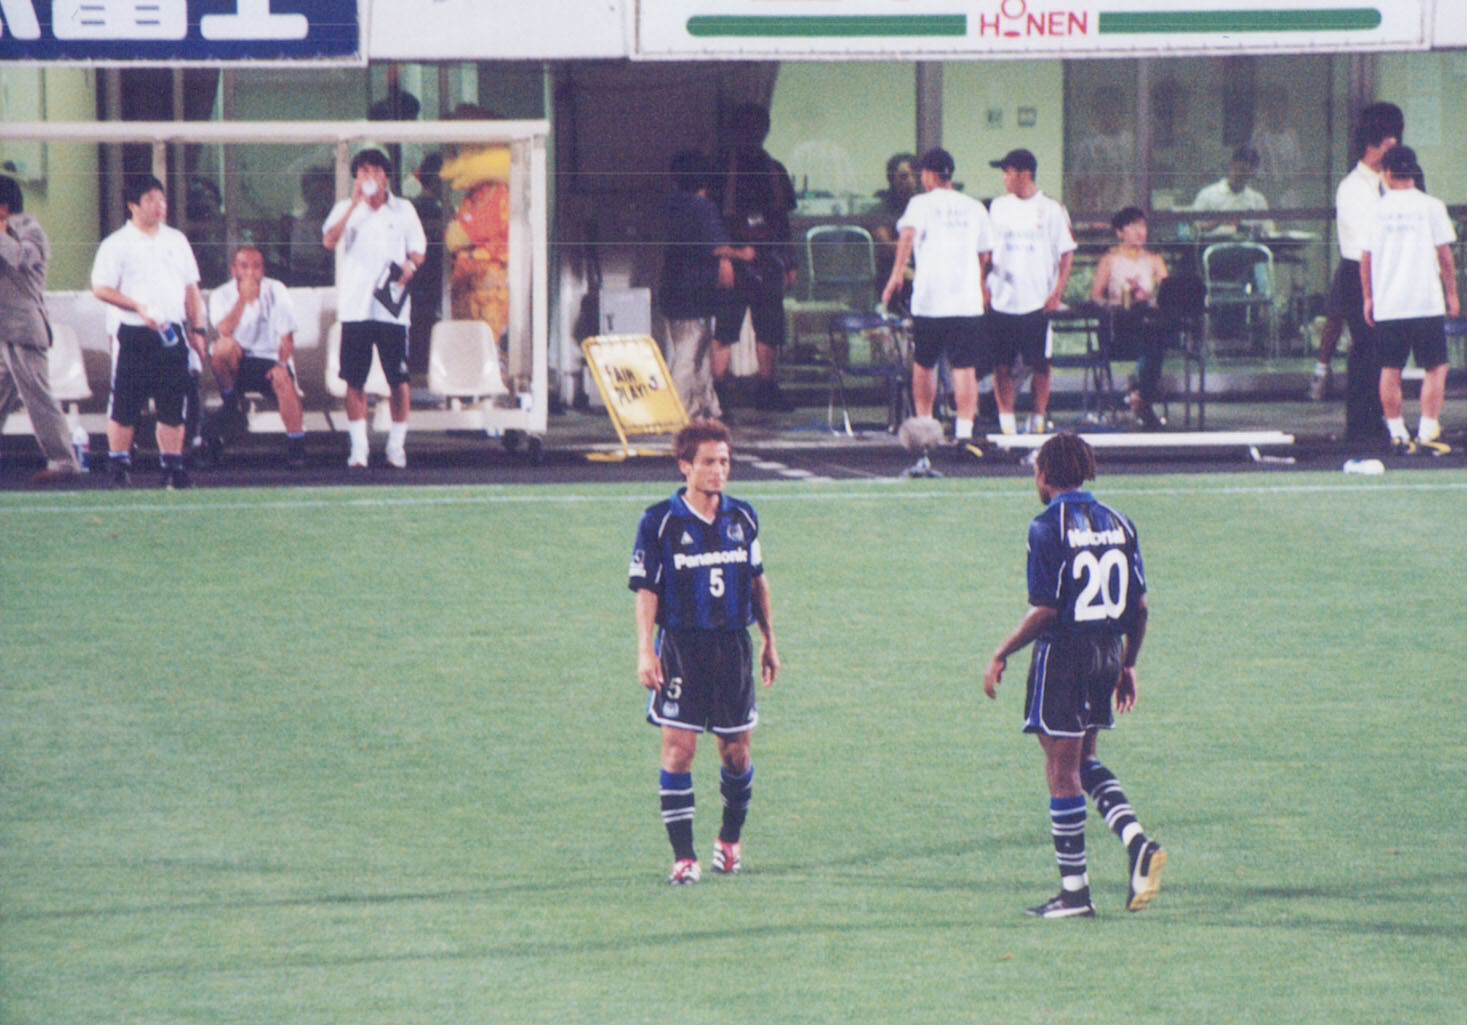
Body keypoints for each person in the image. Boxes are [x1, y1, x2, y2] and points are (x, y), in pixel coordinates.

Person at [982, 432, 1166, 919]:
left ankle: (1075, 894)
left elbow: (1045, 609)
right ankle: (1135, 842)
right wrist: (1128, 663)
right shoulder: (1120, 522)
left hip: (1064, 656)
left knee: (1061, 771)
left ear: (1045, 474)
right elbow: (1140, 608)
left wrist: (1002, 652)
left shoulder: (1046, 527)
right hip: (1106, 653)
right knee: (1084, 762)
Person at [629, 418, 780, 885]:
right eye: (710, 462)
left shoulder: (743, 518)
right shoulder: (660, 522)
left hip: (733, 648)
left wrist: (770, 640)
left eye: (725, 461)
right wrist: (645, 650)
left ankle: (730, 840)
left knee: (736, 754)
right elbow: (646, 591)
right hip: (681, 648)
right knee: (679, 752)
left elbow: (757, 581)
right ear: (685, 466)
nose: (720, 471)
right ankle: (684, 857)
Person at [90, 175, 208, 490]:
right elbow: (100, 288)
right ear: (133, 204)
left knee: (173, 403)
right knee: (125, 404)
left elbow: (191, 289)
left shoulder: (177, 240)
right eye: (151, 199)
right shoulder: (116, 244)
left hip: (172, 333)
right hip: (134, 333)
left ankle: (172, 467)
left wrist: (197, 329)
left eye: (162, 199)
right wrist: (137, 307)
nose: (159, 205)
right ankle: (119, 466)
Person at [322, 147, 427, 469]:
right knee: (355, 380)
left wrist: (410, 267)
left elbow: (419, 251)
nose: (370, 177)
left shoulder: (404, 209)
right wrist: (355, 204)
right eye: (364, 172)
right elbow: (329, 241)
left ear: (386, 176)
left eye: (376, 171)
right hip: (356, 309)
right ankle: (359, 449)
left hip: (392, 308)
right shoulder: (345, 208)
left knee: (398, 379)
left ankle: (396, 446)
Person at [880, 147, 992, 444]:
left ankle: (926, 426)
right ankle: (964, 432)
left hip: (930, 299)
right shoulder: (974, 207)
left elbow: (907, 237)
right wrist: (980, 285)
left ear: (928, 175)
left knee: (925, 363)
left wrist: (895, 275)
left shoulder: (920, 203)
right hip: (966, 301)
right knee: (964, 368)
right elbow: (984, 254)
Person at [1361, 146, 1460, 456]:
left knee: (1390, 368)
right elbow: (1446, 256)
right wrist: (1452, 294)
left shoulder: (1375, 210)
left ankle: (1398, 433)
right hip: (1426, 302)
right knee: (1436, 367)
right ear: (1414, 171)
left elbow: (1366, 258)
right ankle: (1428, 429)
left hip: (1390, 303)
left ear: (1387, 173)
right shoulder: (1432, 206)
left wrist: (1368, 297)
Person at [711, 103, 799, 413]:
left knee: (770, 329)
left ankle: (767, 388)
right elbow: (712, 219)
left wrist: (790, 262)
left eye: (758, 128)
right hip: (734, 259)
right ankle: (718, 393)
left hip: (769, 259)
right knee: (726, 329)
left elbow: (783, 221)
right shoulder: (722, 170)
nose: (753, 134)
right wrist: (723, 260)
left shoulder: (774, 169)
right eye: (747, 127)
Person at [0, 175, 85, 484]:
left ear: (3, 207)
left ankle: (64, 462)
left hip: (24, 329)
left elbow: (22, 259)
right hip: (4, 331)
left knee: (38, 396)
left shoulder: (30, 230)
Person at [986, 148, 1076, 435]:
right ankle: (1007, 425)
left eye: (1008, 172)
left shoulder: (1051, 209)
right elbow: (986, 251)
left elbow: (1066, 253)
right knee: (1001, 365)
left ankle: (1037, 422)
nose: (1004, 178)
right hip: (1002, 300)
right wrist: (983, 288)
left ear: (1024, 174)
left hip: (1037, 301)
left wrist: (1057, 293)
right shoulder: (998, 207)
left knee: (1040, 365)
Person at [659, 151, 754, 420]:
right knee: (690, 355)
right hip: (694, 292)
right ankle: (679, 411)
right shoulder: (702, 207)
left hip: (673, 288)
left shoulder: (672, 204)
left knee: (696, 352)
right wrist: (743, 254)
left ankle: (705, 407)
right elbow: (716, 247)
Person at [1332, 102, 1404, 443]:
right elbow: (1366, 241)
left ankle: (1379, 420)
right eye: (1387, 139)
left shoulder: (1391, 182)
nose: (1393, 145)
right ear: (1372, 143)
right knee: (1366, 348)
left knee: (1385, 351)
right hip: (1359, 273)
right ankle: (1360, 425)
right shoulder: (1352, 187)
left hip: (1388, 271)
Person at [206, 245, 306, 468]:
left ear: (263, 269)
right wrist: (243, 300)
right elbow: (224, 329)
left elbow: (287, 338)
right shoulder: (221, 294)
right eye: (244, 266)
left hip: (269, 359)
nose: (250, 271)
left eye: (256, 266)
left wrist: (281, 364)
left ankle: (296, 445)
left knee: (283, 378)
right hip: (237, 361)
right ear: (234, 270)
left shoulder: (276, 289)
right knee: (222, 347)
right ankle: (231, 403)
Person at [1090, 207, 1170, 430]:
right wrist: (1115, 302)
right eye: (1133, 227)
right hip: (1118, 326)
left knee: (1155, 341)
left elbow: (1167, 291)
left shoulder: (1153, 260)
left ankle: (1140, 397)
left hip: (1146, 324)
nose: (1139, 232)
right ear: (1120, 232)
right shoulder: (1110, 260)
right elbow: (1096, 296)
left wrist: (1148, 295)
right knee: (1150, 343)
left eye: (1142, 226)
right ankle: (1141, 399)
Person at [872, 152, 919, 312]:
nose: (910, 180)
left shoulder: (922, 205)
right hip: (892, 268)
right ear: (892, 179)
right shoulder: (883, 208)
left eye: (914, 175)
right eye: (904, 176)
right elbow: (885, 244)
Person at [1191, 146, 1274, 236]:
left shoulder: (1258, 200)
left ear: (1253, 172)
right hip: (1214, 244)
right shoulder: (1207, 195)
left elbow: (1269, 231)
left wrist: (1243, 226)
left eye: (1247, 171)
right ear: (1232, 165)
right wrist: (1219, 221)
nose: (1242, 174)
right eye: (1240, 169)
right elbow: (1193, 229)